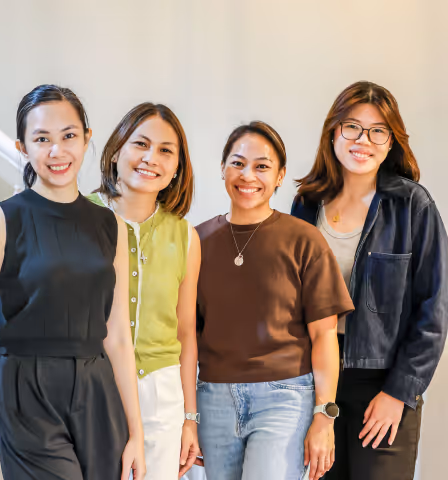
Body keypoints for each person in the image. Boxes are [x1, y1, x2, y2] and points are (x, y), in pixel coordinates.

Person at [0, 101, 201, 480]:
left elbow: (119, 337)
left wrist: (137, 433)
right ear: (22, 147)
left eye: (69, 136)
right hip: (30, 383)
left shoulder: (110, 225)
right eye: (42, 138)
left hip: (100, 386)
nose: (57, 150)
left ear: (86, 140)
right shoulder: (4, 218)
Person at [291, 81, 448, 480]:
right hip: (312, 385)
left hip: (385, 383)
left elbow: (435, 309)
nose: (364, 140)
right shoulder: (307, 205)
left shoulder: (413, 206)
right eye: (353, 126)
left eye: (378, 130)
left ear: (391, 141)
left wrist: (399, 392)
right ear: (333, 131)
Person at [195, 121, 354, 480]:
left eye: (262, 166)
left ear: (280, 176)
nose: (247, 174)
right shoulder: (197, 241)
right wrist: (189, 416)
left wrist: (324, 416)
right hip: (213, 398)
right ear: (222, 169)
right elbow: (187, 335)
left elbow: (325, 337)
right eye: (237, 163)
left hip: (284, 398)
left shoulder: (305, 240)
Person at [87, 103, 201, 480]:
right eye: (141, 144)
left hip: (161, 394)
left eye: (166, 150)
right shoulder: (78, 215)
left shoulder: (185, 236)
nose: (152, 158)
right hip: (91, 384)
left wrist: (189, 419)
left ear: (176, 168)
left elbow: (185, 332)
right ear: (117, 150)